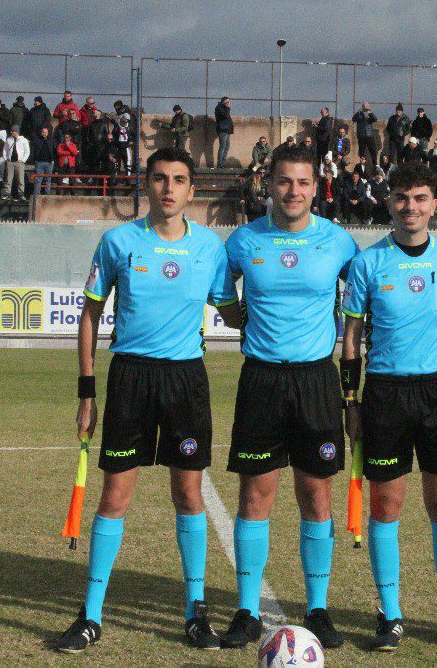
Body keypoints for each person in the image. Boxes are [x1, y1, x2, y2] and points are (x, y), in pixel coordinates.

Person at [54, 147, 241, 654]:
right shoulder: (118, 242)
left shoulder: (210, 248)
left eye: (178, 180)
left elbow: (233, 312)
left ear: (192, 190)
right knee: (115, 497)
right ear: (147, 184)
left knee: (189, 495)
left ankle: (195, 612)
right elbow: (90, 315)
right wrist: (87, 392)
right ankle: (91, 615)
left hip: (185, 382)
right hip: (130, 379)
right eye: (159, 178)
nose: (168, 188)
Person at [220, 144, 358, 651]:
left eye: (302, 182)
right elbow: (221, 292)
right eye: (284, 181)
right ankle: (246, 610)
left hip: (316, 381)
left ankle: (317, 608)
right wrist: (239, 319)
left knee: (316, 495)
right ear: (269, 185)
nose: (293, 191)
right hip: (261, 379)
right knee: (255, 495)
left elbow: (365, 295)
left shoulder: (338, 242)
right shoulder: (244, 240)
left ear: (316, 187)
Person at [339, 161, 437, 652]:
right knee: (387, 505)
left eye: (420, 198)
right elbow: (351, 340)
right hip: (385, 395)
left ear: (434, 205)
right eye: (402, 198)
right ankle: (390, 616)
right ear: (389, 203)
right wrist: (351, 401)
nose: (410, 207)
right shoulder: (367, 264)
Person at [1, 126, 30, 201]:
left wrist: (23, 160)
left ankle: (21, 194)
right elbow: (5, 150)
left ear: (17, 132)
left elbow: (27, 151)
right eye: (11, 131)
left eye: (13, 131)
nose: (12, 132)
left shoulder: (23, 140)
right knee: (8, 179)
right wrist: (6, 159)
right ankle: (7, 194)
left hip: (19, 162)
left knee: (20, 179)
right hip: (10, 162)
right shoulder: (8, 140)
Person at [31, 125, 57, 195]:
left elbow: (54, 151)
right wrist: (35, 160)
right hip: (39, 162)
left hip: (49, 163)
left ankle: (47, 195)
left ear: (48, 133)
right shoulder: (37, 140)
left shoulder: (51, 141)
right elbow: (33, 151)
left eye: (46, 132)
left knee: (48, 180)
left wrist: (53, 160)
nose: (44, 134)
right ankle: (37, 195)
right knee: (38, 180)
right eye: (43, 132)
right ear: (41, 132)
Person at [352, 102, 378, 169]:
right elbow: (353, 119)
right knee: (362, 153)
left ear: (368, 106)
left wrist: (371, 113)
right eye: (364, 106)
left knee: (373, 152)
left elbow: (375, 119)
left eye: (367, 106)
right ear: (362, 107)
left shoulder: (370, 113)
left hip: (369, 135)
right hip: (361, 136)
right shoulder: (359, 114)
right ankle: (362, 168)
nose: (365, 107)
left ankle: (375, 167)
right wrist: (358, 113)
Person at [214, 96, 233, 168]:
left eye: (229, 102)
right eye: (227, 102)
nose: (228, 103)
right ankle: (220, 164)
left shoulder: (223, 108)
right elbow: (225, 115)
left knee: (227, 146)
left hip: (226, 130)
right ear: (223, 102)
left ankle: (223, 163)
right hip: (222, 130)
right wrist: (227, 107)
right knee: (222, 147)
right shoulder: (219, 108)